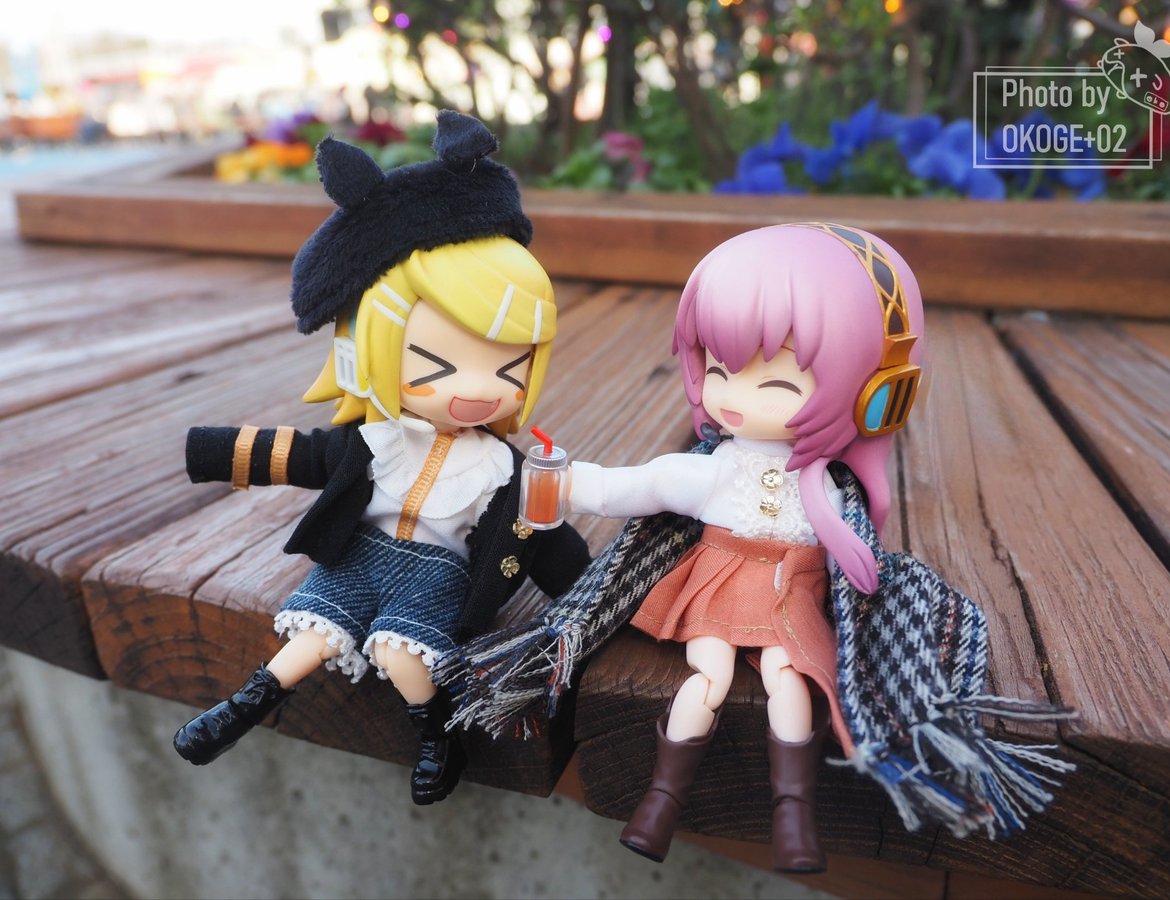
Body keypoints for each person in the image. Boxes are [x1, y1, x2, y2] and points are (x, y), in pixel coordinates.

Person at [172, 111, 591, 806]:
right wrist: (213, 452)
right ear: (374, 352)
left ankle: (439, 736)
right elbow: (301, 455)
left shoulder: (501, 469)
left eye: (508, 369)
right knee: (310, 636)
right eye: (435, 366)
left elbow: (546, 538)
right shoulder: (379, 438)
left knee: (401, 653)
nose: (476, 389)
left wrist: (591, 595)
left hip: (437, 573)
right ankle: (242, 707)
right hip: (359, 554)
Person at [553, 223, 924, 871]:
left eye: (775, 384)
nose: (730, 396)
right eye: (719, 370)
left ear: (872, 395)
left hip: (790, 592)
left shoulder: (829, 488)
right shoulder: (718, 468)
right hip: (720, 583)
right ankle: (661, 800)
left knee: (787, 679)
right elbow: (639, 486)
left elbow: (856, 565)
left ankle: (794, 814)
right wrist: (567, 481)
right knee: (710, 675)